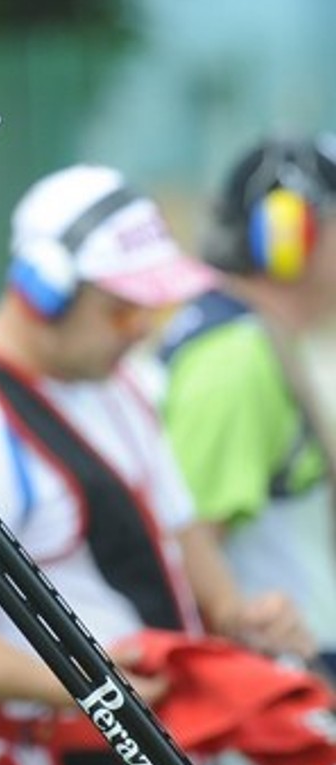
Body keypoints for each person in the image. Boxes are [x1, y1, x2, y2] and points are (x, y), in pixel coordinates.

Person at [0, 164, 316, 765]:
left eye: (149, 310)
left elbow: (183, 532)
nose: (138, 329)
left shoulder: (119, 385)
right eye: (119, 309)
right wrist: (89, 685)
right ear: (43, 289)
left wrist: (241, 618)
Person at [158, 134, 336, 679]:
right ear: (290, 237)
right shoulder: (236, 360)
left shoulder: (259, 341)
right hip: (268, 704)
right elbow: (188, 555)